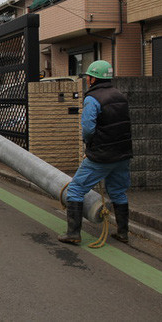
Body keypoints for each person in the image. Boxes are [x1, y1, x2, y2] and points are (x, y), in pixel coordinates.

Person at [58, 60, 133, 245]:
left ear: (92, 78)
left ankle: (73, 234)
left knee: (75, 190)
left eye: (88, 77)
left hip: (101, 155)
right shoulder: (120, 96)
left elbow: (88, 128)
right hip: (123, 154)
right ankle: (123, 233)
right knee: (118, 191)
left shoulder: (93, 98)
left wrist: (89, 146)